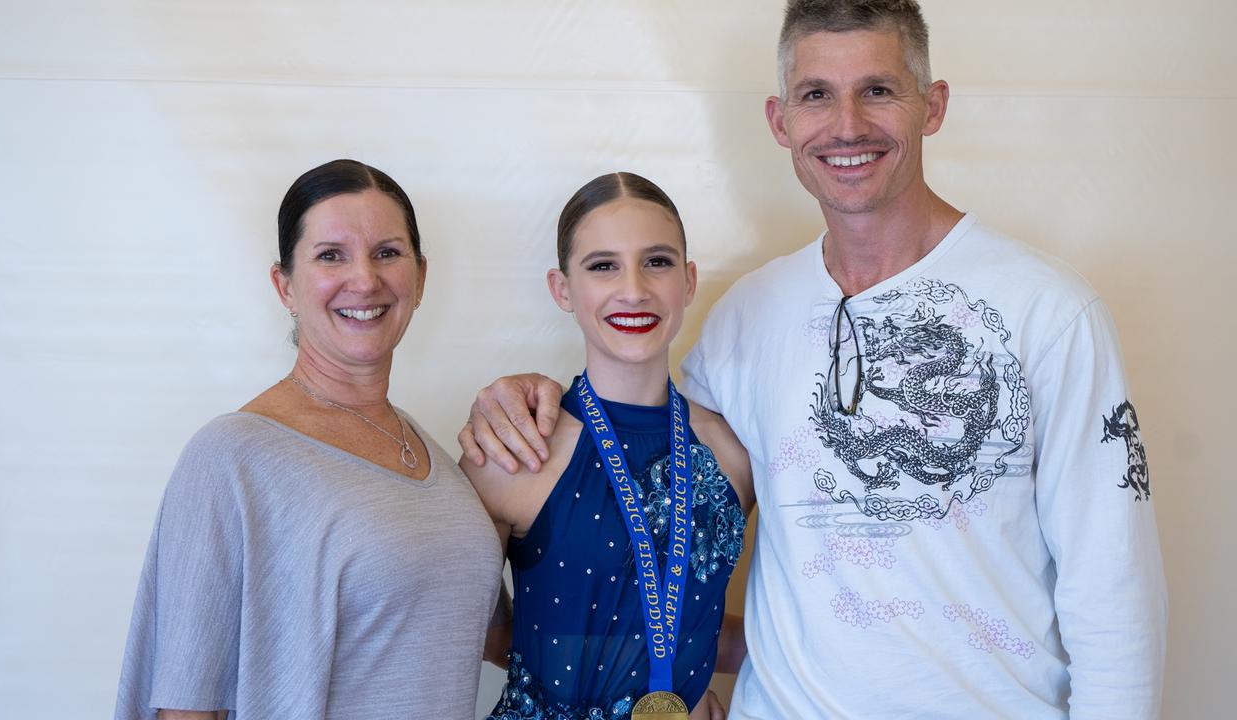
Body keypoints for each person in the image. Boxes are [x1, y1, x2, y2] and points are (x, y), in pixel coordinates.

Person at [459, 2, 1168, 718]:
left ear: (934, 105)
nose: (848, 124)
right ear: (781, 121)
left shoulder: (1049, 312)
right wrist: (521, 399)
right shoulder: (745, 319)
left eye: (880, 89)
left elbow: (1115, 594)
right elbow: (641, 479)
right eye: (817, 95)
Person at [115, 159, 505, 719]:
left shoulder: (435, 458)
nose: (365, 279)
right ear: (285, 285)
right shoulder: (230, 458)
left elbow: (493, 637)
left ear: (419, 278)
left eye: (387, 253)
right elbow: (186, 707)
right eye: (331, 255)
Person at [464, 172, 754, 720]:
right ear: (562, 288)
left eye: (658, 261)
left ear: (689, 281)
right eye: (603, 266)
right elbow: (468, 628)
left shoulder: (734, 454)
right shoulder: (514, 452)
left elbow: (687, 618)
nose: (634, 289)